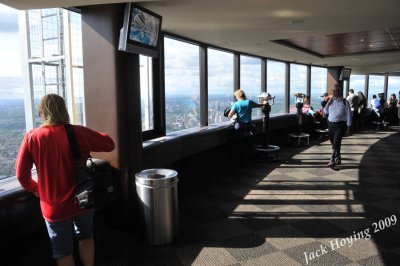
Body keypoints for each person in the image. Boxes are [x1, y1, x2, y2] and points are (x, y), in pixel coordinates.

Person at [15, 94, 115, 266]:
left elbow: (21, 175)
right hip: (83, 198)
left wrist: (37, 189)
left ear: (42, 113)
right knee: (86, 236)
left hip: (53, 205)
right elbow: (108, 144)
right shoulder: (78, 132)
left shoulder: (32, 137)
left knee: (62, 251)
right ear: (64, 111)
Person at [324, 84, 352, 168]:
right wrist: (328, 103)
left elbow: (349, 115)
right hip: (331, 124)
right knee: (334, 142)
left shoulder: (345, 102)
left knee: (336, 141)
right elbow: (325, 112)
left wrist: (348, 127)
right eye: (333, 91)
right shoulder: (331, 101)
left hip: (341, 125)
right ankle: (338, 157)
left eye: (336, 91)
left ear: (340, 92)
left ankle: (332, 159)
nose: (334, 92)